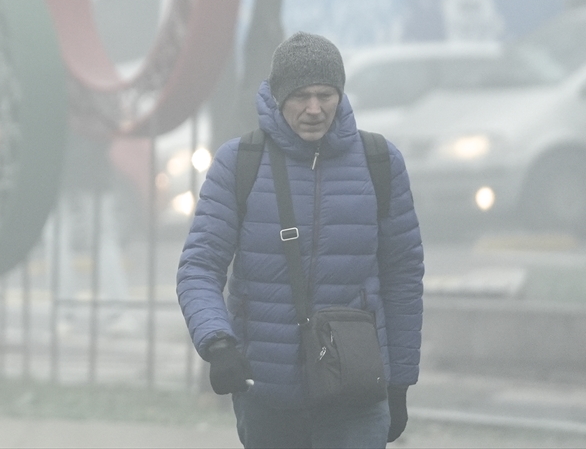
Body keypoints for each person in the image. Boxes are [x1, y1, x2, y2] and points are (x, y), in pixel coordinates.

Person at [177, 31, 424, 449]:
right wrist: (217, 342)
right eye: (301, 96)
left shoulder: (381, 162)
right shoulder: (239, 163)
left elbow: (403, 277)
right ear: (277, 96)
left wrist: (399, 381)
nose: (314, 109)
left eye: (326, 95)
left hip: (357, 391)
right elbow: (199, 266)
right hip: (269, 395)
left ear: (341, 95)